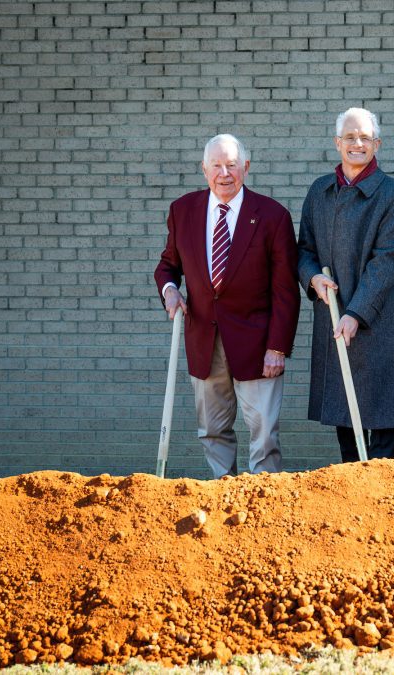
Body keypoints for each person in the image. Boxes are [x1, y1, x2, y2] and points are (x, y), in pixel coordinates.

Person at [154, 133, 300, 477]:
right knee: (212, 431)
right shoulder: (183, 211)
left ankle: (265, 498)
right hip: (204, 341)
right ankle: (224, 495)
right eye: (216, 165)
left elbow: (285, 291)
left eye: (231, 165)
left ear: (245, 167)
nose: (224, 173)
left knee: (264, 434)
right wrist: (170, 290)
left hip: (258, 346)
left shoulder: (273, 216)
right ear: (204, 169)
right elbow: (167, 265)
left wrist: (277, 347)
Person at [297, 107, 394, 462]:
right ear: (337, 143)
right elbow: (304, 250)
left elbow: (387, 261)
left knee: (382, 427)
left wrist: (356, 313)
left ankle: (383, 496)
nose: (357, 143)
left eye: (365, 137)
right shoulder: (320, 192)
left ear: (377, 144)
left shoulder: (393, 194)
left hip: (377, 323)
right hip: (333, 317)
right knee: (345, 422)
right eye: (350, 137)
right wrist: (312, 276)